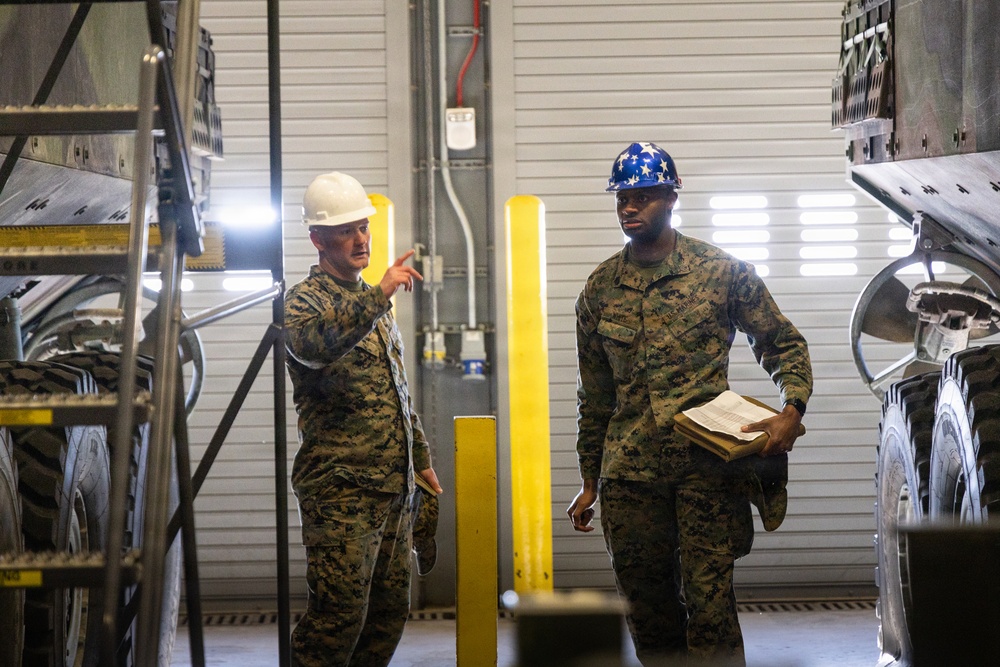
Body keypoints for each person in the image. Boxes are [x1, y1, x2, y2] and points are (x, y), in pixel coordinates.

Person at [567, 142, 813, 666]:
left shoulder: (720, 272)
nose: (629, 208)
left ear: (672, 198)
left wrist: (791, 410)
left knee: (709, 607)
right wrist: (590, 479)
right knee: (649, 610)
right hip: (630, 479)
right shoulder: (600, 289)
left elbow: (782, 343)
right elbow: (595, 396)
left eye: (644, 198)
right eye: (622, 199)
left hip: (707, 472)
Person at [284, 171, 443, 666]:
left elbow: (397, 389)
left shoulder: (376, 309)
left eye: (364, 228)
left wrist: (420, 459)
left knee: (387, 616)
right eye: (346, 230)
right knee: (337, 620)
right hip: (342, 491)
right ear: (317, 238)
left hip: (393, 489)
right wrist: (378, 295)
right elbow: (313, 347)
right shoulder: (303, 302)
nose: (360, 240)